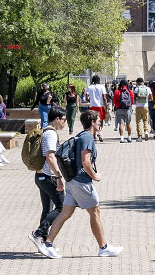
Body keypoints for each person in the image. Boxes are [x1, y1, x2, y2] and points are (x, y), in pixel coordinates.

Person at [35, 109, 124, 259]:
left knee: (65, 213)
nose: (100, 122)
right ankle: (104, 247)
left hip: (71, 181)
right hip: (81, 182)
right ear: (92, 123)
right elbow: (85, 161)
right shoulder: (87, 137)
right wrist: (94, 175)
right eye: (98, 120)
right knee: (95, 211)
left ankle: (47, 243)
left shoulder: (80, 136)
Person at [28, 107, 66, 251]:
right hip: (48, 176)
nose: (65, 123)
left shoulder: (45, 131)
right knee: (62, 208)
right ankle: (38, 234)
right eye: (64, 119)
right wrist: (58, 177)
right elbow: (50, 156)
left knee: (47, 209)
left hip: (40, 176)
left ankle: (42, 241)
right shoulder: (51, 134)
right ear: (57, 119)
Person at [84, 75, 109, 142]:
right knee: (100, 120)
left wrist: (91, 101)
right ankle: (99, 132)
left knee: (93, 120)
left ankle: (94, 135)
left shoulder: (89, 87)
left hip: (92, 106)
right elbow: (104, 98)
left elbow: (86, 98)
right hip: (100, 106)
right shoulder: (102, 87)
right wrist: (106, 107)